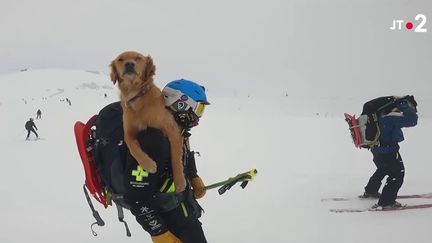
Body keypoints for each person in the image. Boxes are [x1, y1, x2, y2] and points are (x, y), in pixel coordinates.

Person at [123, 79, 209, 243]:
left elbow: (183, 155)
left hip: (183, 211)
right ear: (180, 104)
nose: (199, 116)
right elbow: (136, 196)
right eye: (198, 108)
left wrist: (193, 176)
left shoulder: (176, 130)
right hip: (167, 218)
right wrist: (159, 233)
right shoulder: (152, 140)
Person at [362, 96, 418, 209]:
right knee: (397, 174)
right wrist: (404, 105)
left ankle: (371, 190)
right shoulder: (390, 117)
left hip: (376, 150)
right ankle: (387, 202)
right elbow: (412, 120)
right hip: (388, 151)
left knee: (383, 169)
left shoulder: (378, 115)